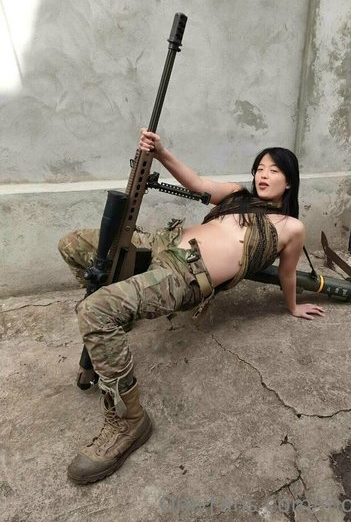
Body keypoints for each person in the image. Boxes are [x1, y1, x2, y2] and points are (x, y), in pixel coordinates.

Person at [58, 128, 325, 484]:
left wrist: (292, 306)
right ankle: (117, 319)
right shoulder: (237, 195)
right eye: (260, 168)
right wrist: (161, 152)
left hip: (184, 276)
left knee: (95, 311)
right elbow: (196, 182)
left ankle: (129, 421)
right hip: (160, 244)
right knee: (72, 243)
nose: (264, 175)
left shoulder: (291, 227)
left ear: (289, 181)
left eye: (274, 170)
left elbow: (287, 274)